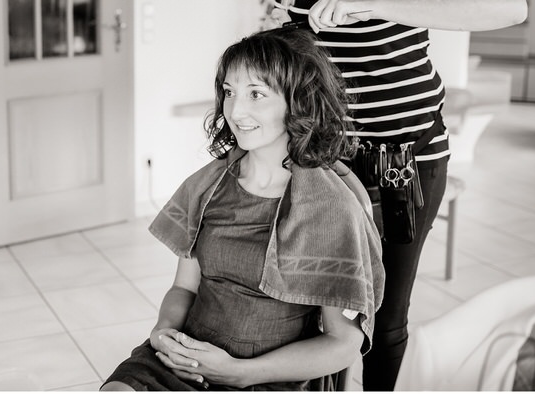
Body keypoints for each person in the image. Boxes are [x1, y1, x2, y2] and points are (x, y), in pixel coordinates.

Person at [270, 0, 529, 391]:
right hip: (321, 153)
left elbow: (507, 2)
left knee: (383, 317)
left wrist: (371, 3)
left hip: (400, 160)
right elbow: (296, 38)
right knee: (313, 307)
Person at [102, 27, 384, 391]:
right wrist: (165, 334)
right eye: (229, 92)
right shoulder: (209, 186)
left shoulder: (331, 209)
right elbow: (184, 288)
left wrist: (240, 372)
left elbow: (343, 344)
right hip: (188, 356)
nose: (235, 111)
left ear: (297, 101)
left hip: (271, 376)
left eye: (256, 94)